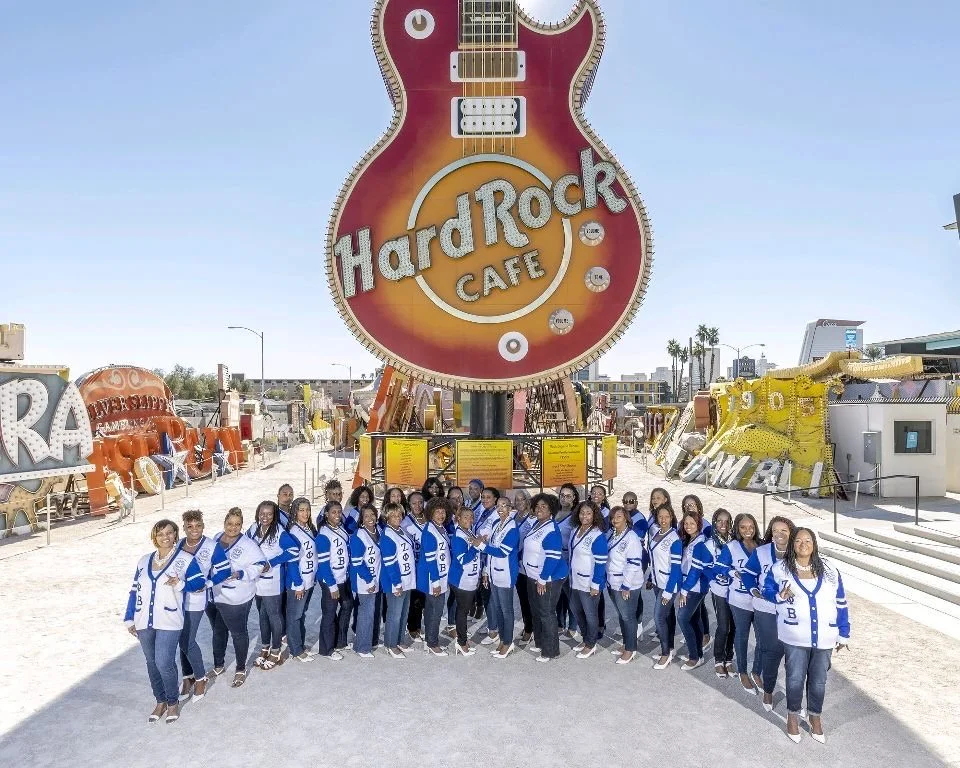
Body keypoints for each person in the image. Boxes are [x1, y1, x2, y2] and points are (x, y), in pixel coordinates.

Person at [762, 528, 851, 744]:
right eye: (799, 540)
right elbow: (766, 591)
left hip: (825, 635)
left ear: (814, 544)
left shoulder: (830, 568)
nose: (803, 544)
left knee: (819, 680)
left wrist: (844, 632)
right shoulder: (779, 569)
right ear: (792, 544)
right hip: (794, 634)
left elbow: (841, 601)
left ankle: (815, 717)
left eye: (808, 540)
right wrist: (779, 596)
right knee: (794, 678)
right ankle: (792, 716)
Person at [125, 519, 204, 723]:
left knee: (164, 662)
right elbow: (134, 590)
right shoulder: (143, 560)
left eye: (169, 533)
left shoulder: (185, 559)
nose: (165, 537)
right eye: (160, 533)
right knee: (151, 664)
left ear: (175, 536)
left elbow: (200, 583)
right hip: (144, 620)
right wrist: (129, 617)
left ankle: (172, 702)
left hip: (169, 619)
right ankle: (159, 701)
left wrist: (180, 584)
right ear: (154, 537)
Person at [743, 516, 797, 711]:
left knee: (791, 653)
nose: (779, 534)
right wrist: (753, 591)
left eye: (784, 531)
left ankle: (794, 697)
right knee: (770, 651)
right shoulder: (761, 552)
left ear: (791, 532)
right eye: (775, 530)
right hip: (765, 609)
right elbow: (748, 574)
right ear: (770, 532)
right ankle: (768, 691)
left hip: (790, 611)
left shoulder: (798, 552)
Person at [209, 508, 267, 688]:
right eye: (230, 523)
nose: (233, 528)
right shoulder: (217, 538)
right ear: (224, 523)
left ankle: (240, 668)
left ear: (241, 525)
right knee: (218, 630)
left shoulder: (248, 545)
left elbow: (262, 565)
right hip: (215, 594)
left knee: (238, 633)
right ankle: (218, 665)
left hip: (237, 597)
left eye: (237, 524)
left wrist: (241, 573)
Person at [248, 501, 298, 670]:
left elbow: (293, 550)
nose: (265, 517)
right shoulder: (253, 528)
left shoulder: (278, 531)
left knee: (274, 615)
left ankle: (276, 650)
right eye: (262, 513)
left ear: (274, 515)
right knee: (262, 615)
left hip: (272, 582)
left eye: (269, 514)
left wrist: (273, 562)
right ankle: (264, 647)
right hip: (257, 580)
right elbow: (245, 545)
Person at [717, 513, 763, 694]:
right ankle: (743, 672)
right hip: (740, 600)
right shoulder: (731, 547)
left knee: (761, 638)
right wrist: (731, 573)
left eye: (751, 527)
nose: (747, 531)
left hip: (760, 601)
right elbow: (720, 567)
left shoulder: (762, 546)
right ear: (737, 528)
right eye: (743, 527)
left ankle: (756, 671)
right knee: (742, 636)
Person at [522, 493, 569, 663]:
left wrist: (542, 578)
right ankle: (541, 642)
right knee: (536, 610)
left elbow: (553, 557)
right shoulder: (538, 524)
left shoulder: (551, 529)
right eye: (537, 506)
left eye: (544, 506)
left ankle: (550, 651)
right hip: (533, 575)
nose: (539, 509)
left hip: (548, 578)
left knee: (547, 612)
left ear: (551, 511)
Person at [176, 510, 217, 702]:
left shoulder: (211, 546)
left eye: (198, 526)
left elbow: (224, 570)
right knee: (180, 639)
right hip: (176, 599)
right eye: (189, 526)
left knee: (188, 640)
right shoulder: (177, 546)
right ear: (183, 527)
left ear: (203, 526)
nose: (194, 530)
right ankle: (188, 677)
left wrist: (208, 583)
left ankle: (201, 678)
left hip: (196, 599)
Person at [478, 493, 520, 658]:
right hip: (494, 573)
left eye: (504, 506)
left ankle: (508, 643)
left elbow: (502, 552)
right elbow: (491, 549)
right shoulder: (496, 524)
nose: (501, 509)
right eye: (498, 506)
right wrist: (486, 571)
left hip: (506, 574)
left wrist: (481, 546)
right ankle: (502, 640)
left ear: (510, 509)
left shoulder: (513, 528)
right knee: (498, 608)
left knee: (506, 610)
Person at [568, 500, 607, 659]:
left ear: (594, 515)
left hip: (589, 582)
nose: (585, 516)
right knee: (576, 609)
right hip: (575, 580)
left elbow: (601, 562)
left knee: (590, 614)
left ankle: (591, 644)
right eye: (582, 512)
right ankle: (586, 639)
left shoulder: (597, 535)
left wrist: (596, 584)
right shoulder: (575, 530)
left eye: (588, 513)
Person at [606, 505, 645, 664]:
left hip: (626, 585)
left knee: (628, 617)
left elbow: (634, 563)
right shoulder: (612, 534)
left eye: (619, 517)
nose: (615, 520)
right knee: (622, 616)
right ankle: (626, 644)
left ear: (626, 519)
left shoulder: (632, 538)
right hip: (612, 582)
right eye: (613, 517)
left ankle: (631, 649)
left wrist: (626, 585)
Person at [676, 511, 714, 671]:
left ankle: (694, 656)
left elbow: (695, 571)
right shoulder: (690, 540)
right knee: (694, 619)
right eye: (686, 523)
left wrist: (684, 590)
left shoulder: (701, 543)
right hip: (689, 584)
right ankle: (698, 653)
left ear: (699, 524)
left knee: (683, 619)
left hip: (694, 587)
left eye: (692, 523)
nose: (688, 526)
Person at [315, 501, 352, 660]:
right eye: (333, 512)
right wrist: (332, 585)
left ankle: (340, 641)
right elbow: (323, 564)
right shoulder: (323, 535)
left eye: (339, 512)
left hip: (343, 577)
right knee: (329, 614)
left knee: (347, 604)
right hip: (331, 580)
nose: (337, 515)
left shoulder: (341, 529)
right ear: (326, 515)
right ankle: (326, 649)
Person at [416, 497, 453, 656]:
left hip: (440, 576)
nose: (441, 514)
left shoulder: (440, 528)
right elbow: (431, 561)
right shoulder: (430, 531)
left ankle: (429, 641)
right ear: (430, 513)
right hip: (434, 579)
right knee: (435, 611)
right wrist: (436, 583)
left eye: (443, 511)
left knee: (432, 610)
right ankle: (432, 643)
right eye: (437, 512)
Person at [647, 504, 682, 670]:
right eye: (660, 516)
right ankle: (670, 648)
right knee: (666, 617)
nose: (663, 520)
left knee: (659, 617)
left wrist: (668, 592)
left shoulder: (674, 539)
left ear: (672, 517)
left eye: (666, 516)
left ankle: (665, 653)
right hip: (657, 582)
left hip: (668, 585)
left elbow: (676, 569)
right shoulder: (656, 533)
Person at [380, 502, 416, 658]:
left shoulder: (400, 530)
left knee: (403, 613)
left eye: (399, 514)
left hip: (406, 579)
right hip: (396, 582)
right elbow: (390, 562)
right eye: (393, 515)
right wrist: (396, 583)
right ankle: (390, 644)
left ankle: (400, 640)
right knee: (394, 614)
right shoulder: (388, 534)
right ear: (386, 517)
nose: (397, 517)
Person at [285, 497, 317, 663]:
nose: (305, 513)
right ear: (295, 512)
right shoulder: (293, 532)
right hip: (298, 583)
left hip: (309, 580)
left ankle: (300, 645)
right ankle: (295, 650)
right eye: (301, 510)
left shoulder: (309, 528)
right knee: (294, 616)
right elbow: (292, 562)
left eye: (307, 510)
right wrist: (298, 584)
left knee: (301, 615)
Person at [704, 508, 735, 677]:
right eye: (719, 521)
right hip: (719, 591)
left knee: (734, 626)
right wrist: (714, 579)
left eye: (727, 521)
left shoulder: (735, 541)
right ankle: (718, 659)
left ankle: (729, 658)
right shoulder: (710, 544)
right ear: (714, 522)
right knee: (724, 626)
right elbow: (707, 569)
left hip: (736, 591)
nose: (723, 524)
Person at [448, 507, 483, 656]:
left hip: (470, 578)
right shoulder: (458, 536)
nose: (469, 520)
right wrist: (476, 546)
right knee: (463, 611)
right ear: (458, 518)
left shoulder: (469, 532)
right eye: (465, 517)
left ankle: (463, 641)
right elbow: (463, 559)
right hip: (461, 580)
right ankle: (461, 643)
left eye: (471, 517)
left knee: (463, 610)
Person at [349, 504, 382, 658]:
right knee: (366, 614)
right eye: (366, 516)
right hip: (365, 581)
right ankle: (362, 647)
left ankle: (367, 641)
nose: (370, 518)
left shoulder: (379, 531)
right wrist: (369, 581)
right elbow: (357, 563)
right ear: (361, 519)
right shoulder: (358, 535)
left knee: (373, 613)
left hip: (377, 579)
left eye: (372, 514)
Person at [681, 494, 711, 652]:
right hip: (689, 580)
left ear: (699, 506)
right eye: (686, 505)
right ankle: (699, 636)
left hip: (698, 580)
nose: (689, 507)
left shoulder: (705, 527)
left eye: (691, 504)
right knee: (697, 610)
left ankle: (703, 637)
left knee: (693, 611)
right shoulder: (686, 528)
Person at [474, 488, 503, 643]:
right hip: (483, 558)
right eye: (483, 497)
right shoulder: (484, 512)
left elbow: (486, 538)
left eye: (488, 497)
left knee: (489, 596)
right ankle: (493, 625)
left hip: (488, 561)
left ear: (496, 499)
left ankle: (493, 632)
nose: (485, 500)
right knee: (487, 596)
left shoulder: (495, 515)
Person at [402, 491, 428, 642]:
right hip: (414, 566)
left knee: (425, 598)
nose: (418, 505)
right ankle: (413, 627)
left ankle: (420, 625)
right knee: (415, 599)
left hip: (428, 565)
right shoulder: (405, 522)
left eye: (420, 502)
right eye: (414, 503)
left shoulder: (429, 520)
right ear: (409, 505)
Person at [556, 484, 580, 640]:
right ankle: (559, 623)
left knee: (570, 594)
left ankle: (573, 626)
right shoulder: (553, 512)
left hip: (568, 559)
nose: (565, 498)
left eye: (568, 496)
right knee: (557, 595)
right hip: (554, 559)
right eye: (562, 495)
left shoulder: (576, 516)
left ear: (574, 498)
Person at [513, 490, 536, 645]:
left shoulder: (533, 518)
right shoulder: (513, 517)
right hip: (516, 564)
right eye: (517, 499)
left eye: (522, 499)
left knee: (531, 599)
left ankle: (532, 628)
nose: (519, 502)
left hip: (529, 565)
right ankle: (529, 625)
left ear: (528, 500)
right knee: (522, 598)